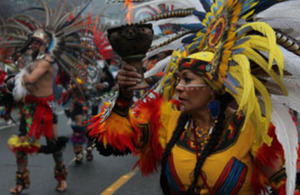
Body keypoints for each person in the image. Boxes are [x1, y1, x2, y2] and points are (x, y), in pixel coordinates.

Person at [87, 0, 299, 194]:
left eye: (187, 80)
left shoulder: (251, 130)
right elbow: (111, 145)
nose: (177, 88)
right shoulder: (166, 119)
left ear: (213, 88)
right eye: (178, 79)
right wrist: (124, 97)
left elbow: (287, 187)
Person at [8, 29, 67, 194]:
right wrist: (19, 70)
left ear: (45, 45)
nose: (34, 45)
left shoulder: (46, 61)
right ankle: (21, 182)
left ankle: (61, 178)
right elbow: (23, 78)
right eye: (33, 41)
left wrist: (18, 77)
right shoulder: (31, 60)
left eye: (38, 42)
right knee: (21, 146)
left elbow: (32, 79)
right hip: (29, 108)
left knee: (54, 146)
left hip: (46, 108)